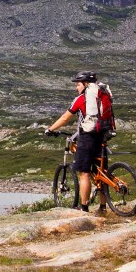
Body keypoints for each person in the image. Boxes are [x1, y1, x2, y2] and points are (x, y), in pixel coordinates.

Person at [44, 70, 111, 213]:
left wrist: (50, 129)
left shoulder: (81, 98)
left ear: (86, 84)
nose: (76, 87)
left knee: (84, 173)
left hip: (87, 137)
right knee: (102, 172)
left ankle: (84, 207)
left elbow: (65, 118)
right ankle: (103, 207)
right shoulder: (102, 95)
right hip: (102, 135)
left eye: (78, 84)